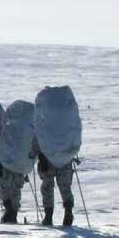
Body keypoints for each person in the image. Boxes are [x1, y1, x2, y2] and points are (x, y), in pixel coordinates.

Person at [34, 85, 82, 227]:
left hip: (46, 157)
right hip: (65, 156)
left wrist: (33, 152)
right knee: (65, 186)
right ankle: (68, 211)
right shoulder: (65, 120)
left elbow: (37, 132)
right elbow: (75, 129)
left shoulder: (43, 118)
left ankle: (48, 216)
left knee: (47, 186)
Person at [0, 100, 38, 224]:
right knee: (16, 188)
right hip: (22, 162)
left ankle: (9, 209)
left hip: (8, 160)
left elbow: (1, 136)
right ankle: (13, 212)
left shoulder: (10, 125)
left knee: (5, 185)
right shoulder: (29, 127)